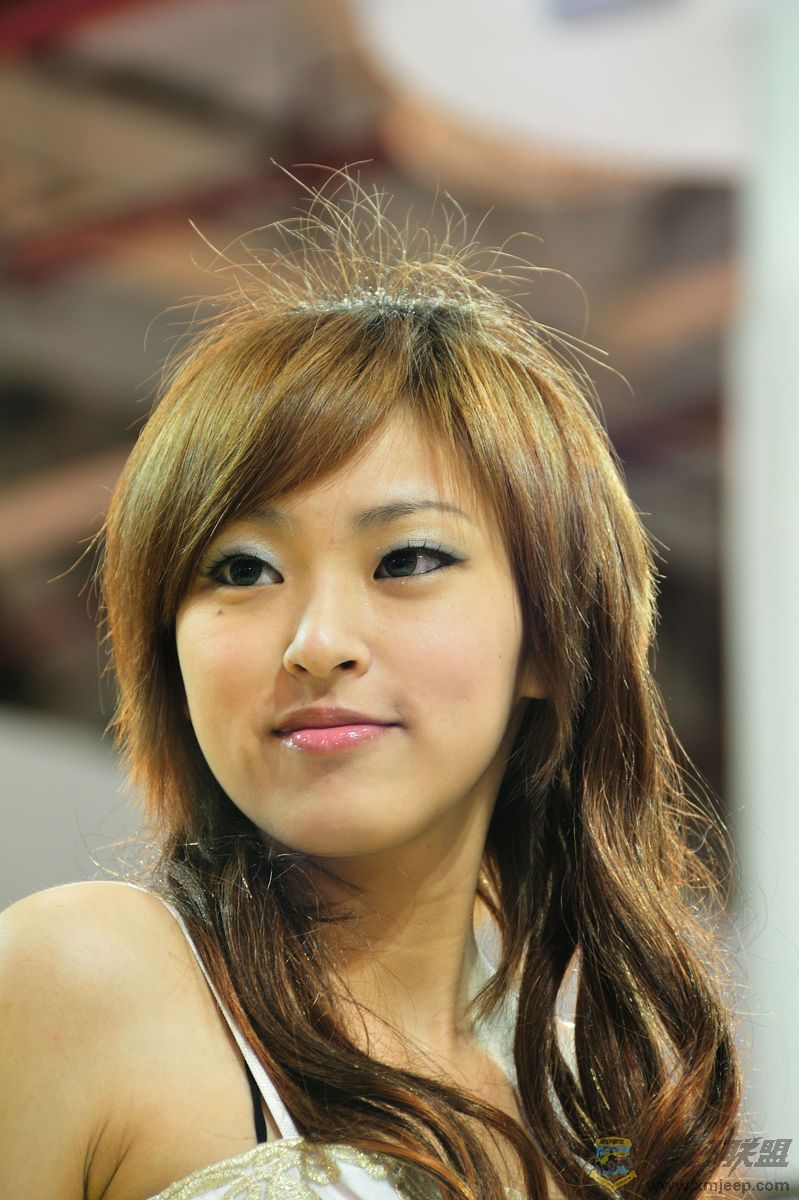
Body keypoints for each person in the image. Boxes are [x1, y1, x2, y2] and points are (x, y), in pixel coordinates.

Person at [0, 178, 740, 1200]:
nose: (316, 644)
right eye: (241, 570)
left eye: (408, 559)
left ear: (548, 636)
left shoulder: (615, 1113)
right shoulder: (82, 978)